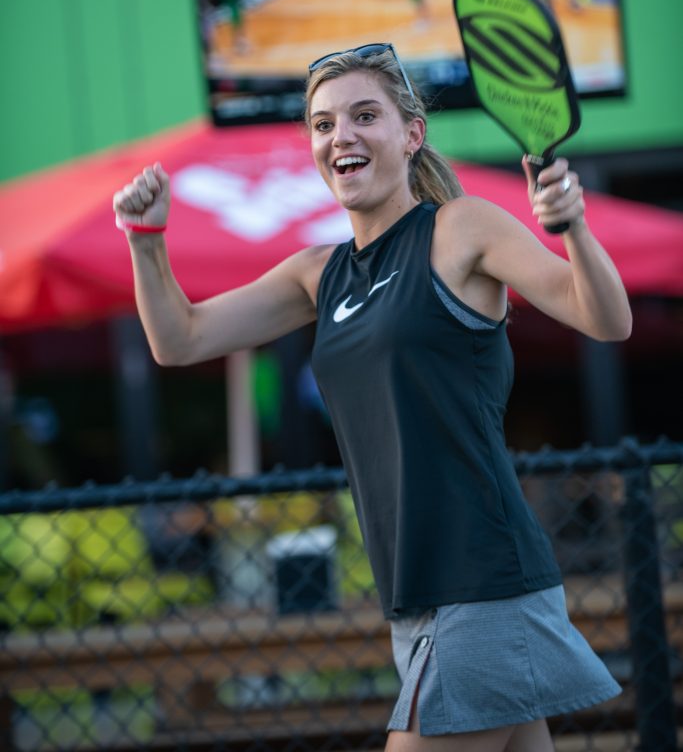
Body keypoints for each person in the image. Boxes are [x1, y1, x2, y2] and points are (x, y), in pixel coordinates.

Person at [113, 43, 632, 751]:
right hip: (416, 592)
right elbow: (180, 339)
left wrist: (571, 227)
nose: (340, 137)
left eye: (364, 116)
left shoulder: (460, 230)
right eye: (323, 125)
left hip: (480, 580)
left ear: (410, 133)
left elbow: (606, 319)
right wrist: (146, 240)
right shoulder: (316, 274)